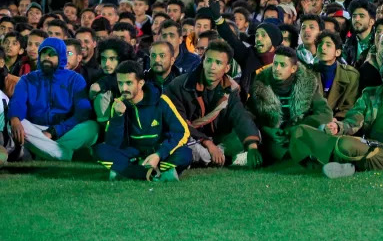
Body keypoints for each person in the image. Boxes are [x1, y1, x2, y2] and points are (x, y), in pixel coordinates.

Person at [288, 47, 383, 177]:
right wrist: (339, 127)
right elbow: (355, 118)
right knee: (300, 131)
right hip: (369, 145)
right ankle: (347, 166)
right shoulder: (370, 94)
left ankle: (340, 164)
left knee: (345, 145)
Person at [165, 39, 263, 167]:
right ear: (203, 61)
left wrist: (252, 147)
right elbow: (179, 123)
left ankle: (215, 156)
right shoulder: (179, 85)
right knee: (187, 147)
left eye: (218, 63)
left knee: (253, 137)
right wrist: (207, 143)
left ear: (227, 67)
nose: (212, 67)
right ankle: (215, 157)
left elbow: (240, 116)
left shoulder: (230, 89)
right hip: (191, 138)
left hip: (218, 140)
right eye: (209, 61)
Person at [93, 60, 191, 180]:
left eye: (129, 83)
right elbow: (113, 144)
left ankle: (126, 172)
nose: (124, 88)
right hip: (133, 154)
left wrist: (159, 154)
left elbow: (182, 131)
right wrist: (118, 117)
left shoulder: (161, 100)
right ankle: (156, 173)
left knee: (185, 154)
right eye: (120, 83)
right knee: (99, 150)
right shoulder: (118, 105)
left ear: (140, 83)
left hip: (158, 151)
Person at [7, 37, 99, 161]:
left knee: (92, 127)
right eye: (43, 53)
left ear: (61, 56)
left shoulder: (75, 79)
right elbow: (18, 103)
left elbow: (82, 113)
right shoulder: (27, 79)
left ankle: (43, 151)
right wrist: (15, 119)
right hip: (36, 130)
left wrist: (55, 131)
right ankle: (65, 154)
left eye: (52, 54)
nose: (46, 57)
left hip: (64, 130)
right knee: (15, 123)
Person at [248, 46, 333, 164]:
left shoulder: (308, 83)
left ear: (293, 68)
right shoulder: (261, 83)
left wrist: (297, 129)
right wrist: (267, 129)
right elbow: (249, 114)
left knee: (323, 131)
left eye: (282, 65)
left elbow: (325, 113)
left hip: (299, 133)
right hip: (272, 138)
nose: (277, 68)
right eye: (275, 63)